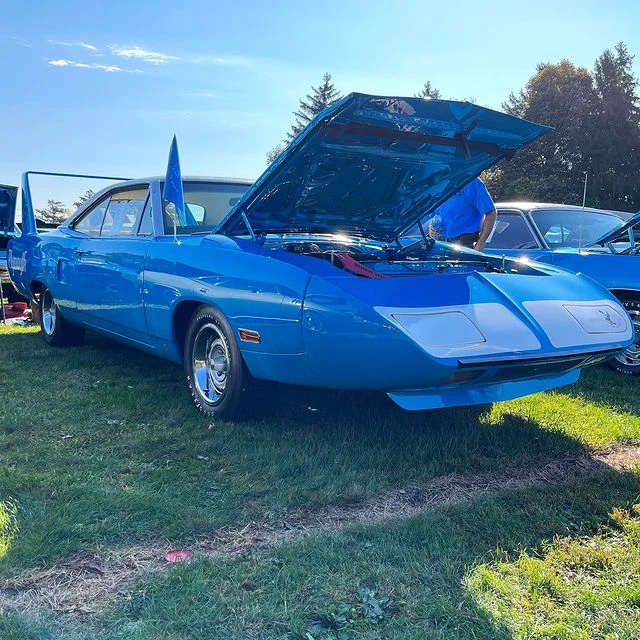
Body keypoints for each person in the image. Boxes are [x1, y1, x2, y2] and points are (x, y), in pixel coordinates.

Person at [425, 177, 497, 252]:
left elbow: (491, 213)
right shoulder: (440, 184)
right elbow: (435, 215)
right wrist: (431, 227)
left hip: (465, 246)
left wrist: (481, 243)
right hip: (440, 245)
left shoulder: (472, 182)